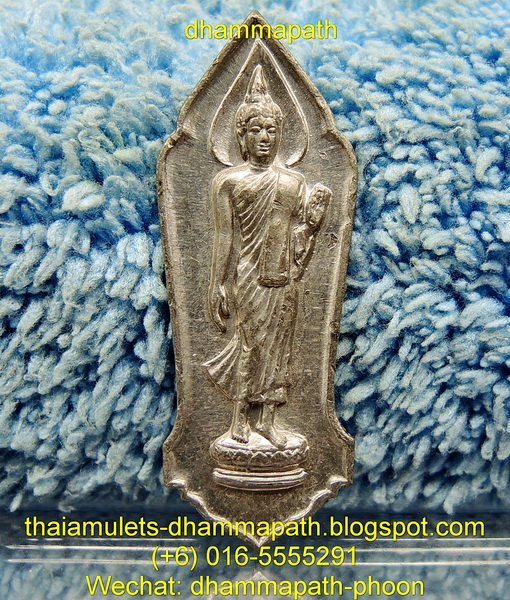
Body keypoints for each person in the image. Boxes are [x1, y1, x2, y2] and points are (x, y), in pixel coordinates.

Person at [204, 65, 329, 449]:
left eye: (272, 130)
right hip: (248, 275)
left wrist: (311, 224)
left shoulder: (294, 182)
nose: (264, 138)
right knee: (252, 343)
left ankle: (269, 420)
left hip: (282, 277)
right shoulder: (229, 181)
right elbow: (224, 236)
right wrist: (216, 284)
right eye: (256, 130)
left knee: (279, 347)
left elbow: (298, 238)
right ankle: (240, 418)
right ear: (241, 136)